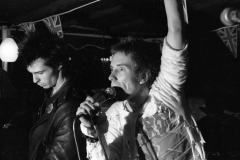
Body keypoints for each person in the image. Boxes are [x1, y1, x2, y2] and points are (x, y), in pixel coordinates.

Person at [76, 0, 206, 159]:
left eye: (121, 69)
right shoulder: (115, 114)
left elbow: (176, 30)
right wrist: (92, 132)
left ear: (143, 76)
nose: (111, 76)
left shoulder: (166, 92)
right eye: (111, 69)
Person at [18, 30, 87, 160]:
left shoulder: (69, 108)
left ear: (59, 64)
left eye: (40, 72)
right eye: (31, 73)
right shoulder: (49, 94)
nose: (34, 80)